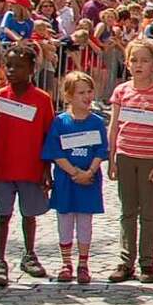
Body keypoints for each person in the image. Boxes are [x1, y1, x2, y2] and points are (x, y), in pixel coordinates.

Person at [0, 45, 55, 287]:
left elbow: (49, 135)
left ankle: (28, 254)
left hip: (30, 168)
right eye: (9, 66)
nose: (13, 70)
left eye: (19, 66)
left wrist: (47, 169)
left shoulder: (42, 100)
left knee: (29, 215)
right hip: (3, 169)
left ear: (32, 69)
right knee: (2, 215)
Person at [107, 39, 153, 283]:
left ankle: (147, 262)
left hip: (148, 158)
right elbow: (113, 126)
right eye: (134, 60)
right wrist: (111, 157)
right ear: (127, 63)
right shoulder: (121, 91)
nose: (138, 65)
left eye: (144, 60)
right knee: (127, 211)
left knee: (148, 211)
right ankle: (126, 261)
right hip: (125, 155)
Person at [42, 72, 108, 284]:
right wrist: (73, 172)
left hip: (89, 180)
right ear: (68, 96)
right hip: (66, 181)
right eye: (81, 92)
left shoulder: (97, 122)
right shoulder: (60, 122)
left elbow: (101, 150)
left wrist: (89, 172)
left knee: (85, 223)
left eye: (90, 92)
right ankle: (66, 263)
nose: (87, 96)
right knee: (65, 221)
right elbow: (55, 151)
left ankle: (83, 264)